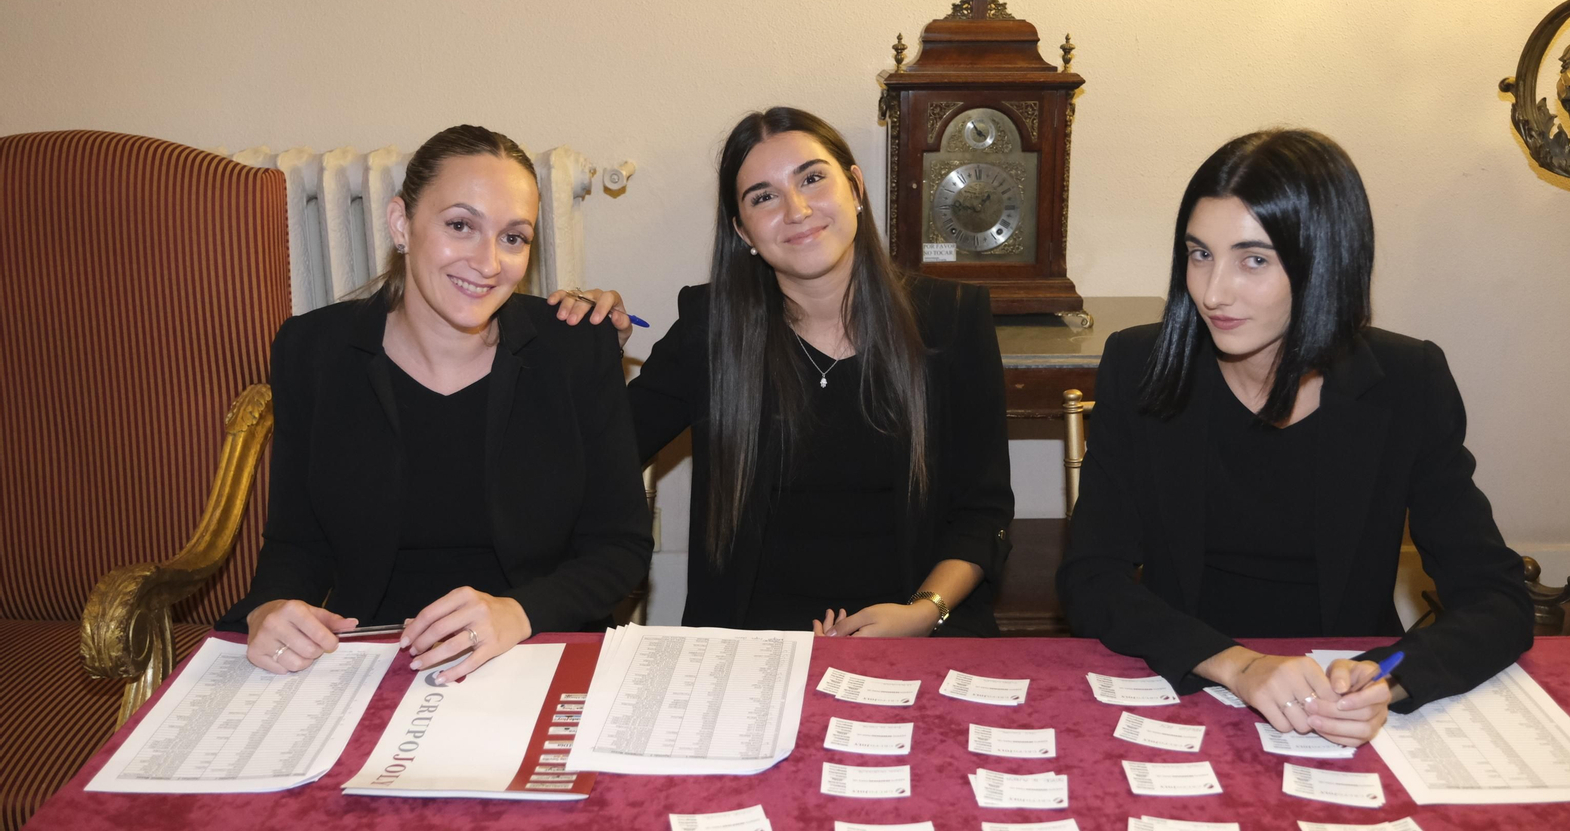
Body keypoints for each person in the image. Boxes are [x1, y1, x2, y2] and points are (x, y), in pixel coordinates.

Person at [1057, 129, 1533, 746]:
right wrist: (1239, 665)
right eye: (1199, 254)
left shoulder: (1406, 382)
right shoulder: (1141, 364)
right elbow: (1091, 578)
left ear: (1323, 262)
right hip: (1189, 680)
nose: (1213, 291)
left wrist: (1387, 680)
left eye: (1253, 259)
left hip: (1337, 698)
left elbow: (1496, 597)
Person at [218, 125, 653, 684]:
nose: (489, 262)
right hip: (369, 660)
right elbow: (297, 540)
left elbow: (619, 547)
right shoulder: (314, 351)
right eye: (460, 225)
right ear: (402, 223)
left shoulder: (572, 347)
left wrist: (519, 613)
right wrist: (270, 607)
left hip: (534, 647)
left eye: (513, 237)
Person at [554, 107, 1013, 636]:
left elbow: (984, 511)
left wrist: (923, 611)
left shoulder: (953, 319)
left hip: (918, 628)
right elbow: (596, 458)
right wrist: (590, 356)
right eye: (763, 197)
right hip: (750, 645)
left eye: (813, 178)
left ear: (855, 187)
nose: (796, 209)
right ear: (742, 230)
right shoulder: (712, 328)